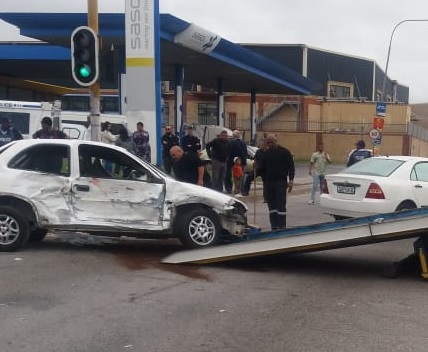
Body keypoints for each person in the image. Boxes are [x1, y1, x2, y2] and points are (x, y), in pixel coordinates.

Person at [258, 134, 295, 230]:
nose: (270, 144)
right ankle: (274, 226)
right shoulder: (266, 154)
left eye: (272, 142)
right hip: (269, 183)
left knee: (281, 205)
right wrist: (256, 168)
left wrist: (291, 180)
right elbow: (261, 169)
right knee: (272, 206)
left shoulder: (284, 152)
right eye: (268, 142)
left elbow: (291, 167)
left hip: (281, 182)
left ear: (276, 141)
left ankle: (282, 226)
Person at [224, 130, 247, 194]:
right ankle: (241, 189)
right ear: (239, 136)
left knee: (229, 175)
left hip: (231, 162)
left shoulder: (230, 143)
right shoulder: (243, 143)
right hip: (241, 162)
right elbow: (245, 153)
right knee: (241, 176)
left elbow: (228, 152)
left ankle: (229, 188)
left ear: (233, 136)